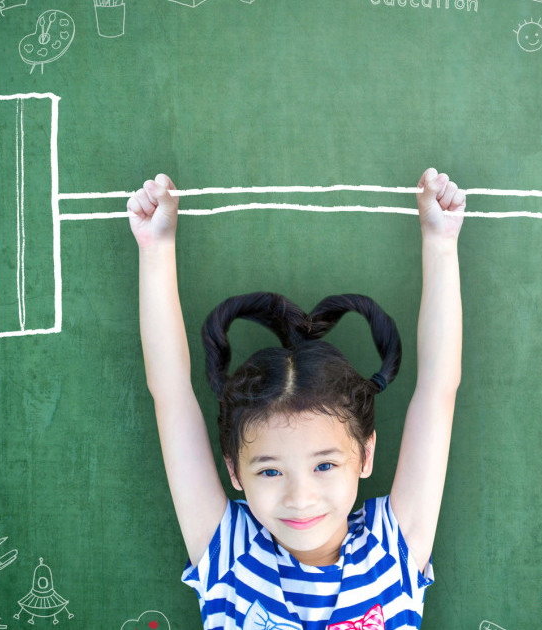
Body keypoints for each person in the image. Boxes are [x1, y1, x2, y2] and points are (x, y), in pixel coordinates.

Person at [128, 168, 464, 629]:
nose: (300, 497)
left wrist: (442, 245)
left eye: (325, 464)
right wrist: (155, 249)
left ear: (365, 454)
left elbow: (437, 394)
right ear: (234, 470)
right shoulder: (229, 552)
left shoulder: (394, 546)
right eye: (269, 470)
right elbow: (169, 395)